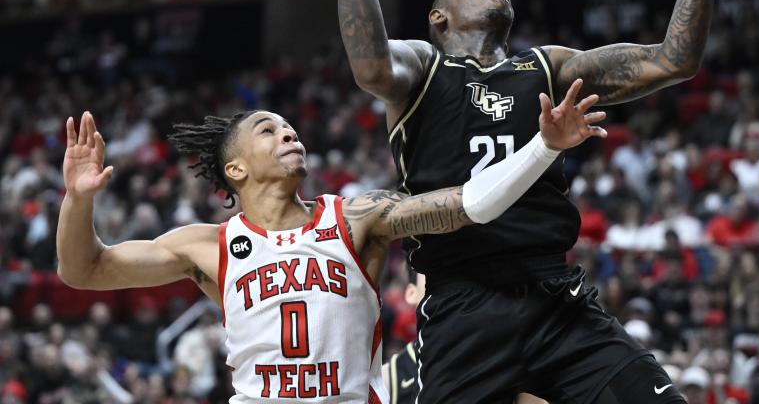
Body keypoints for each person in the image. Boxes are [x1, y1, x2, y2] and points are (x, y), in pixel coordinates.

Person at [338, 0, 715, 404]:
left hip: (553, 296)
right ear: (438, 18)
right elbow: (370, 65)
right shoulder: (423, 67)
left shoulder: (547, 66)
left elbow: (675, 60)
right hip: (463, 307)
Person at [56, 84, 605, 404]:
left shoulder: (357, 217)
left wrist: (541, 148)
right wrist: (78, 199)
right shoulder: (206, 246)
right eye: (269, 130)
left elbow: (468, 205)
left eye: (291, 128)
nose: (290, 134)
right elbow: (84, 271)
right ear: (236, 167)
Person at [381, 268, 546, 404]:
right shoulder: (388, 379)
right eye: (434, 274)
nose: (452, 286)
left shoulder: (513, 365)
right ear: (411, 293)